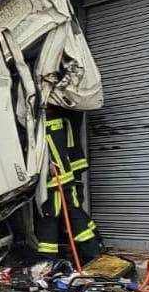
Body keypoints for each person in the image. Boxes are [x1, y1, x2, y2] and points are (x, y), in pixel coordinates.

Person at [34, 108, 102, 266]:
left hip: (57, 180)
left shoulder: (48, 123)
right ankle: (93, 249)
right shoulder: (63, 117)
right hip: (66, 176)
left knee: (50, 216)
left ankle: (48, 261)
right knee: (73, 211)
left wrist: (49, 166)